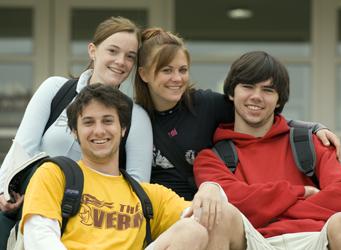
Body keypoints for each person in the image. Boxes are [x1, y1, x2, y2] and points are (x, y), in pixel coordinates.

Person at [21, 83, 238, 250]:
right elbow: (39, 238)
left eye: (108, 121)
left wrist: (212, 187)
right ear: (74, 131)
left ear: (123, 129)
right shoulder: (54, 174)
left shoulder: (147, 195)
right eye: (88, 122)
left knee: (193, 230)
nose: (98, 131)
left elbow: (209, 216)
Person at [134, 27, 341, 200]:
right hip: (159, 213)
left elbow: (259, 113)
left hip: (205, 210)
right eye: (166, 70)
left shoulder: (206, 105)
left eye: (182, 70)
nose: (177, 78)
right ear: (144, 74)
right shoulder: (133, 118)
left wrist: (313, 129)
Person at [194, 51, 341, 250]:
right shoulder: (210, 158)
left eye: (267, 90)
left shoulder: (308, 143)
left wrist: (272, 210)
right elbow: (234, 201)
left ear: (278, 100)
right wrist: (300, 192)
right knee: (218, 215)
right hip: (254, 240)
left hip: (314, 238)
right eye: (248, 87)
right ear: (232, 93)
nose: (256, 96)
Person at [0, 16, 153, 212]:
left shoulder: (136, 117)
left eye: (130, 56)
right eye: (113, 51)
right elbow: (22, 149)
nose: (121, 61)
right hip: (32, 205)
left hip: (93, 221)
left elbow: (138, 187)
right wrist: (3, 189)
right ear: (93, 51)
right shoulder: (55, 89)